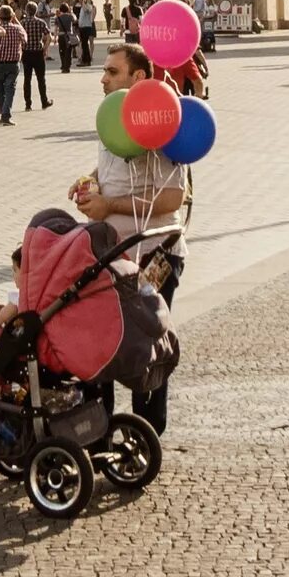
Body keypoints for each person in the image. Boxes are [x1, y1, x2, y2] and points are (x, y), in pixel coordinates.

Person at [75, 43, 192, 431]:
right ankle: (100, 427)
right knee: (101, 338)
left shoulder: (157, 122)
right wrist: (91, 181)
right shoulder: (112, 116)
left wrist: (110, 206)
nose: (103, 78)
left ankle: (147, 430)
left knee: (147, 340)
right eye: (104, 71)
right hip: (115, 252)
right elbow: (110, 168)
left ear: (137, 77)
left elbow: (174, 196)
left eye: (112, 71)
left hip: (157, 253)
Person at [0, 6, 27, 127]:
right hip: (12, 63)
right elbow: (25, 38)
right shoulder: (16, 28)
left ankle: (3, 114)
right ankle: (6, 115)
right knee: (10, 89)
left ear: (0, 16)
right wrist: (16, 20)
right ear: (11, 16)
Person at [20, 0, 53, 110]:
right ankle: (44, 101)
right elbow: (49, 36)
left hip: (26, 53)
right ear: (35, 11)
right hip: (38, 53)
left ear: (26, 10)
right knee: (41, 79)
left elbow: (19, 38)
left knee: (27, 79)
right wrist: (45, 48)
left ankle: (28, 104)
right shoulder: (41, 22)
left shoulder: (22, 23)